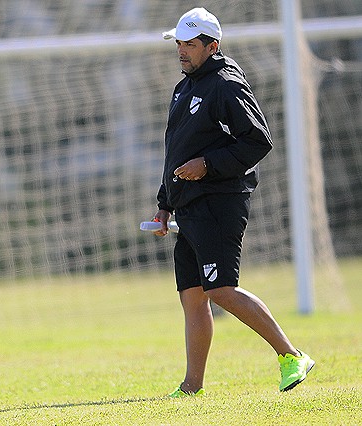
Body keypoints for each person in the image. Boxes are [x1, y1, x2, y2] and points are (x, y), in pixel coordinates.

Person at [153, 8, 314, 397]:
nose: (182, 51)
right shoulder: (184, 87)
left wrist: (208, 165)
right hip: (188, 205)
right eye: (179, 43)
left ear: (213, 46)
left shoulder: (225, 84)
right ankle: (192, 387)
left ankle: (292, 356)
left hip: (217, 205)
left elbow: (259, 140)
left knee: (221, 289)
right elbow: (176, 151)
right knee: (193, 297)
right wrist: (164, 203)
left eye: (190, 44)